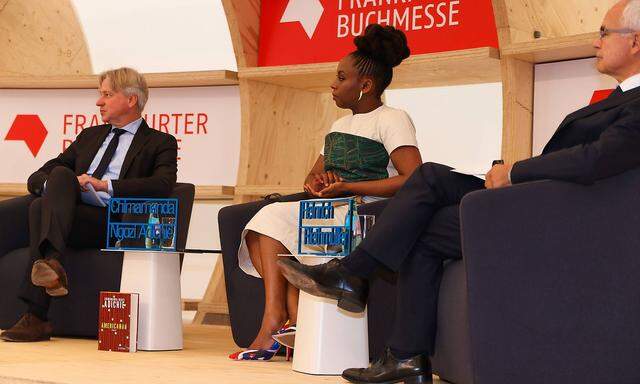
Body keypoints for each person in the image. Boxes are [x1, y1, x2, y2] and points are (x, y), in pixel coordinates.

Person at [278, 0, 640, 382]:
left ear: (635, 43)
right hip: (541, 205)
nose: (596, 42)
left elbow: (594, 160)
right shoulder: (620, 99)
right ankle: (401, 351)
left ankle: (356, 279)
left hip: (562, 221)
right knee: (427, 197)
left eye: (604, 32)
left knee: (428, 185)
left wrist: (515, 173)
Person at [229, 24, 423, 361]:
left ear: (365, 85)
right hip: (329, 209)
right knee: (264, 221)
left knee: (275, 220)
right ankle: (280, 316)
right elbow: (313, 174)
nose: (333, 84)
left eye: (341, 77)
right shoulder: (338, 126)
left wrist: (348, 186)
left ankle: (289, 321)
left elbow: (413, 178)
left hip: (368, 213)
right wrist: (315, 184)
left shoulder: (392, 118)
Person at [0, 67, 178, 342]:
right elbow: (42, 173)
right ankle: (52, 266)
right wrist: (61, 190)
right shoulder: (90, 136)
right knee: (54, 184)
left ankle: (37, 314)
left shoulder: (159, 142)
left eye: (107, 94)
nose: (99, 102)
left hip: (110, 221)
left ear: (131, 100)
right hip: (70, 214)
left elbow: (163, 184)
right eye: (100, 95)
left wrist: (103, 185)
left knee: (40, 208)